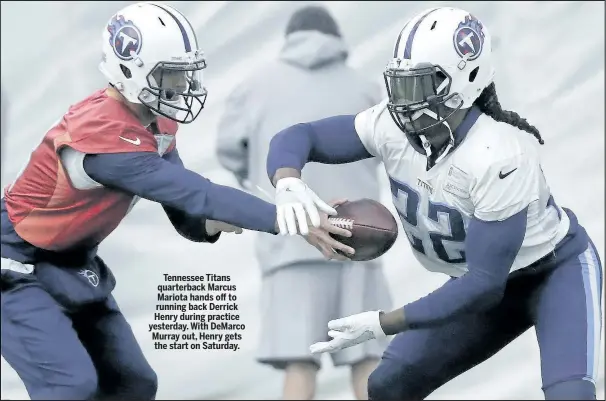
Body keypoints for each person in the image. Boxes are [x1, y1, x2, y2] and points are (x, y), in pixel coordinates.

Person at [0, 3, 350, 400]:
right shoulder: (99, 132)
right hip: (16, 265)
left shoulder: (155, 119)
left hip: (75, 263)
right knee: (69, 387)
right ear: (128, 69)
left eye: (185, 73)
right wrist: (294, 218)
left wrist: (211, 223)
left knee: (134, 383)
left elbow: (186, 212)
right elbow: (198, 192)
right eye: (170, 74)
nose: (182, 86)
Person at [265, 7, 603, 400]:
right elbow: (299, 136)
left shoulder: (498, 155)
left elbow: (482, 286)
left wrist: (384, 322)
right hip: (481, 282)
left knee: (570, 396)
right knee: (387, 386)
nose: (404, 102)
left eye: (421, 85)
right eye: (400, 84)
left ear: (467, 78)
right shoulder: (388, 127)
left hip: (551, 273)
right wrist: (288, 182)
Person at [216, 5, 391, 400]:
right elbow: (389, 151)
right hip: (358, 241)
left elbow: (229, 152)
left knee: (299, 363)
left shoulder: (254, 86)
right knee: (367, 359)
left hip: (289, 244)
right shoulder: (364, 87)